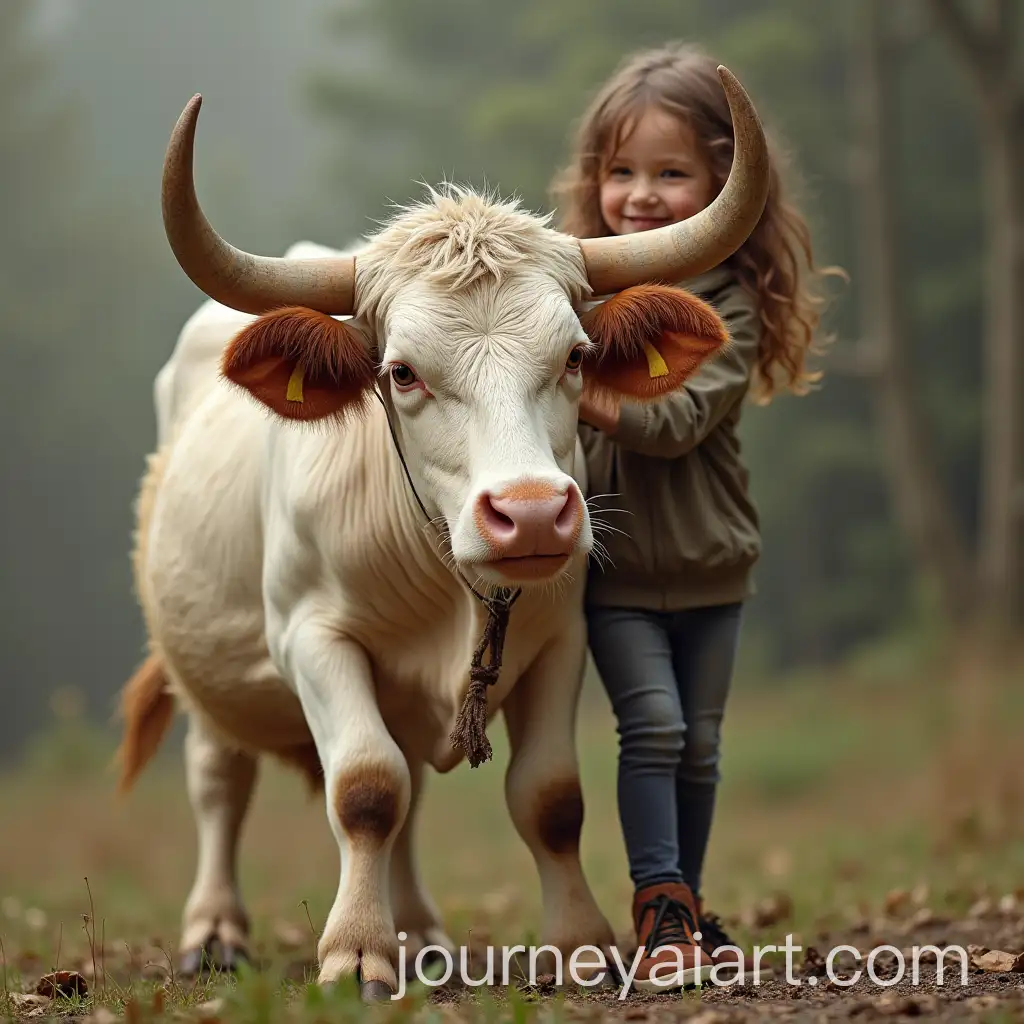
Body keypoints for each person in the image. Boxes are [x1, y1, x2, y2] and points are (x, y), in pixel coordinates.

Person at [549, 41, 841, 989]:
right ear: (591, 180)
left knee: (702, 748)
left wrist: (578, 384)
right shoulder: (569, 296)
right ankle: (660, 899)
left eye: (671, 173)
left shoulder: (728, 301)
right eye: (620, 171)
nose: (639, 195)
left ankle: (687, 904)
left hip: (714, 563)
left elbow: (673, 421)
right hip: (619, 566)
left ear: (723, 179)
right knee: (657, 730)